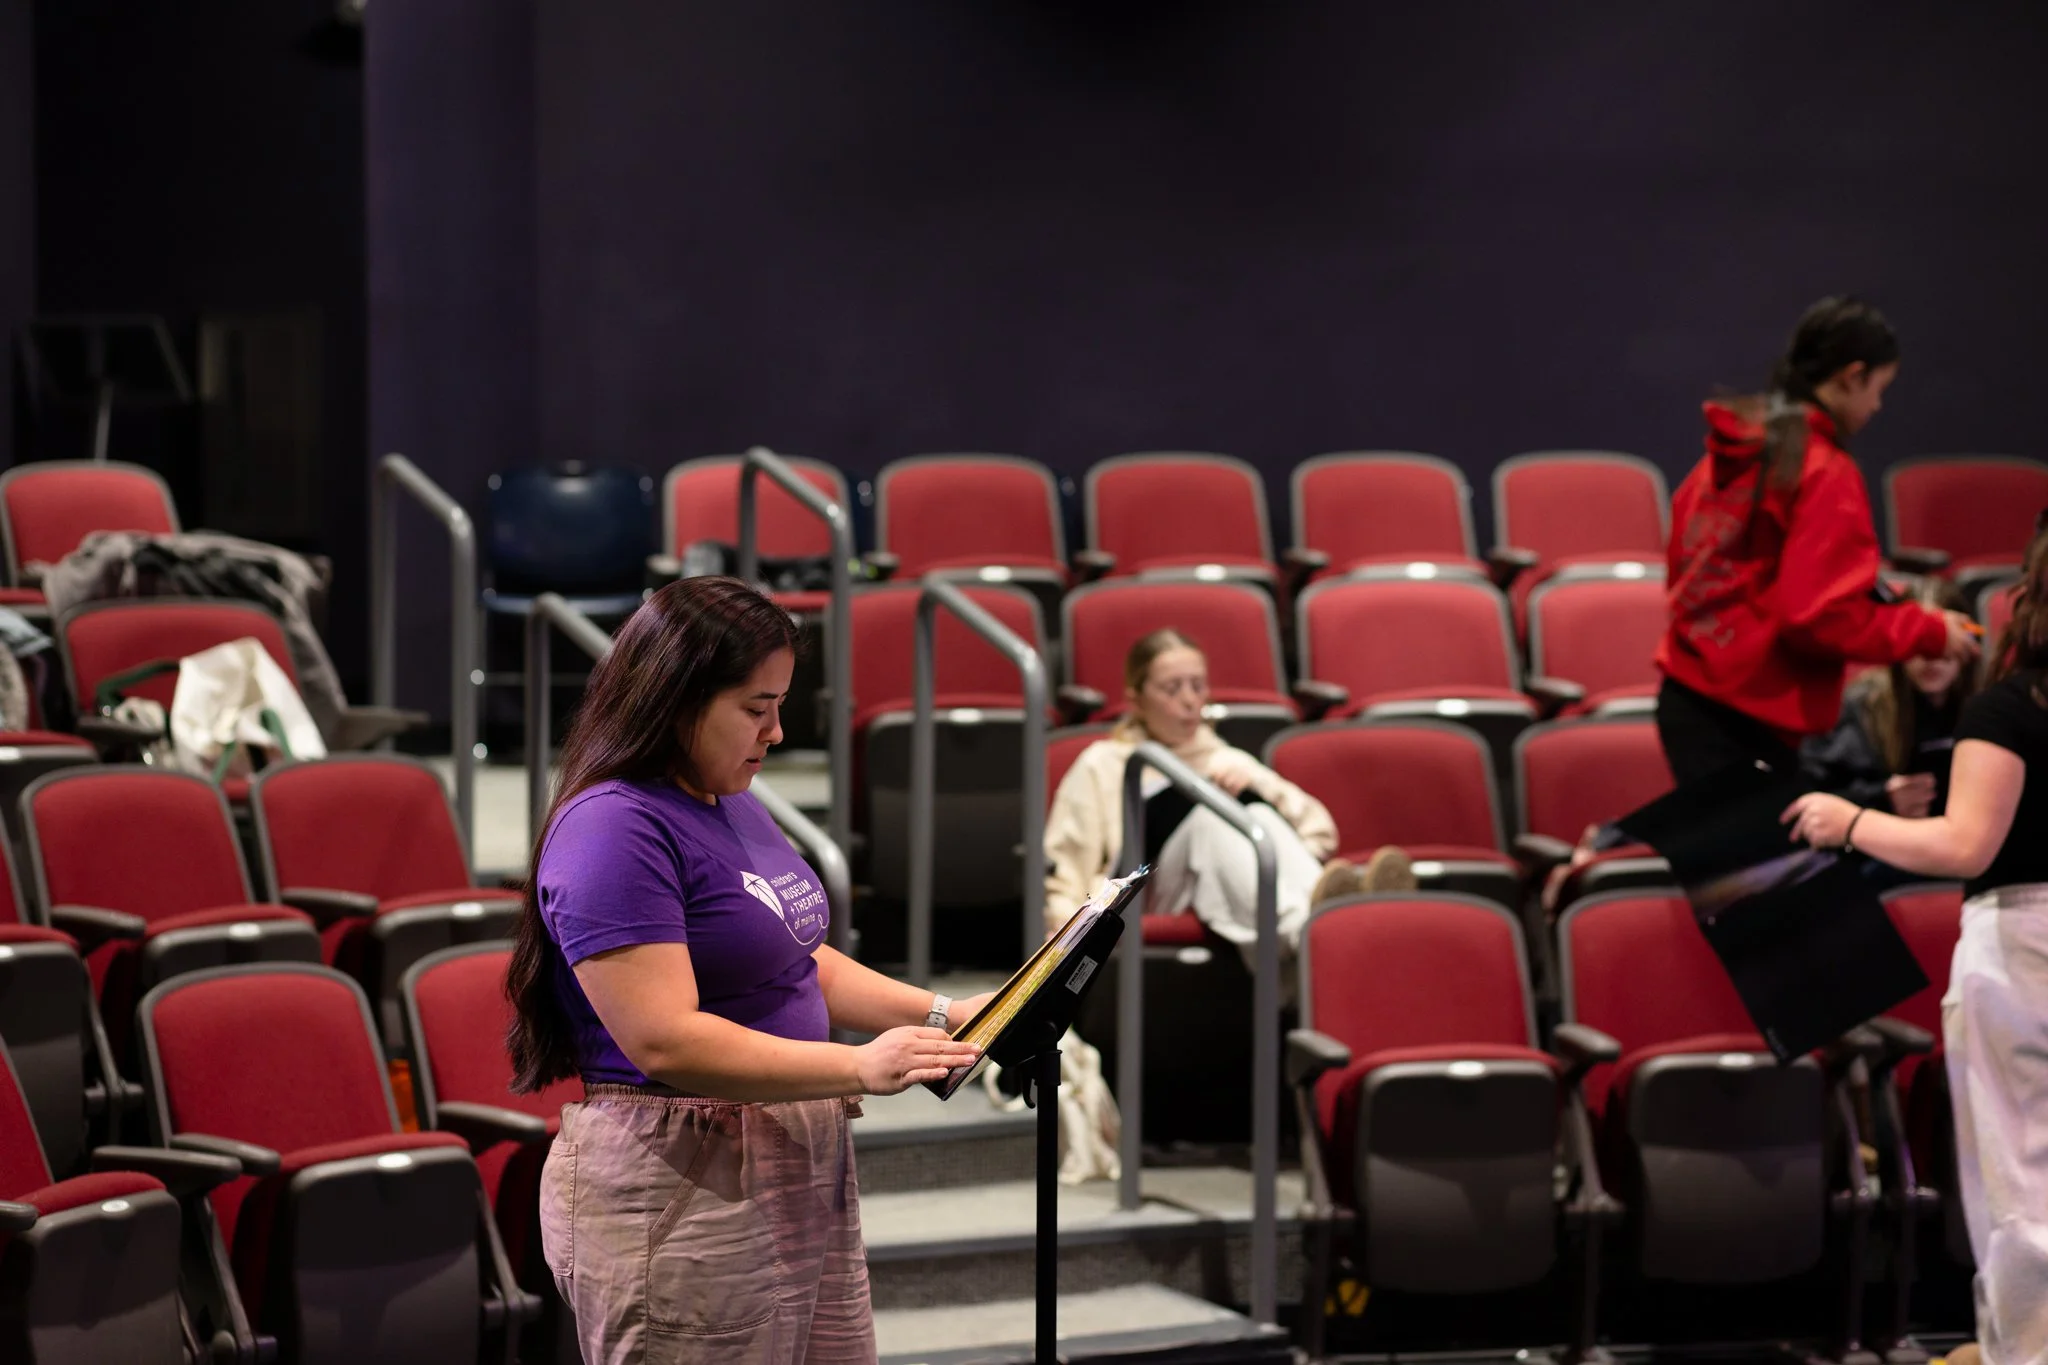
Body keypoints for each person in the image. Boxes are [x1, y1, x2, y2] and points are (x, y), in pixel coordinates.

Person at [507, 576, 989, 1365]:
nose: (777, 729)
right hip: (681, 1178)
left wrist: (941, 1011)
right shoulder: (612, 827)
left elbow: (794, 956)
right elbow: (665, 1041)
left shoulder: (726, 796)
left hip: (789, 1152)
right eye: (755, 706)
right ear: (676, 695)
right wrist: (857, 1064)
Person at [1784, 519, 2048, 1365]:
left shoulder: (2010, 706)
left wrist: (1850, 820)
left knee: (2026, 1188)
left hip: (2024, 947)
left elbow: (1963, 843)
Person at [1656, 296, 1978, 783]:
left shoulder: (1741, 450)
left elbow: (1684, 550)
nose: (1877, 406)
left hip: (1689, 699)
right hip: (1747, 719)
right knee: (1762, 861)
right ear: (1852, 376)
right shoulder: (1822, 469)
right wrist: (1929, 633)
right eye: (1879, 388)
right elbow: (1819, 617)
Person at [1041, 627, 1413, 953]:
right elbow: (1069, 866)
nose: (1190, 701)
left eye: (1198, 686)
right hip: (1139, 898)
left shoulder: (1224, 757)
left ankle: (1333, 920)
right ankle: (1323, 927)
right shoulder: (1104, 761)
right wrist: (1064, 942)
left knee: (1259, 814)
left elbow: (1318, 830)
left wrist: (1254, 790)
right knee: (1209, 817)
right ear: (1137, 699)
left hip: (1223, 892)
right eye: (1172, 688)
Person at [1802, 576, 1980, 818]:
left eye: (1942, 642)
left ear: (1968, 641)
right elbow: (1811, 795)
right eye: (1922, 642)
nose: (1931, 657)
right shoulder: (1863, 705)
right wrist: (1880, 799)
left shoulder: (1987, 703)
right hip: (1880, 841)